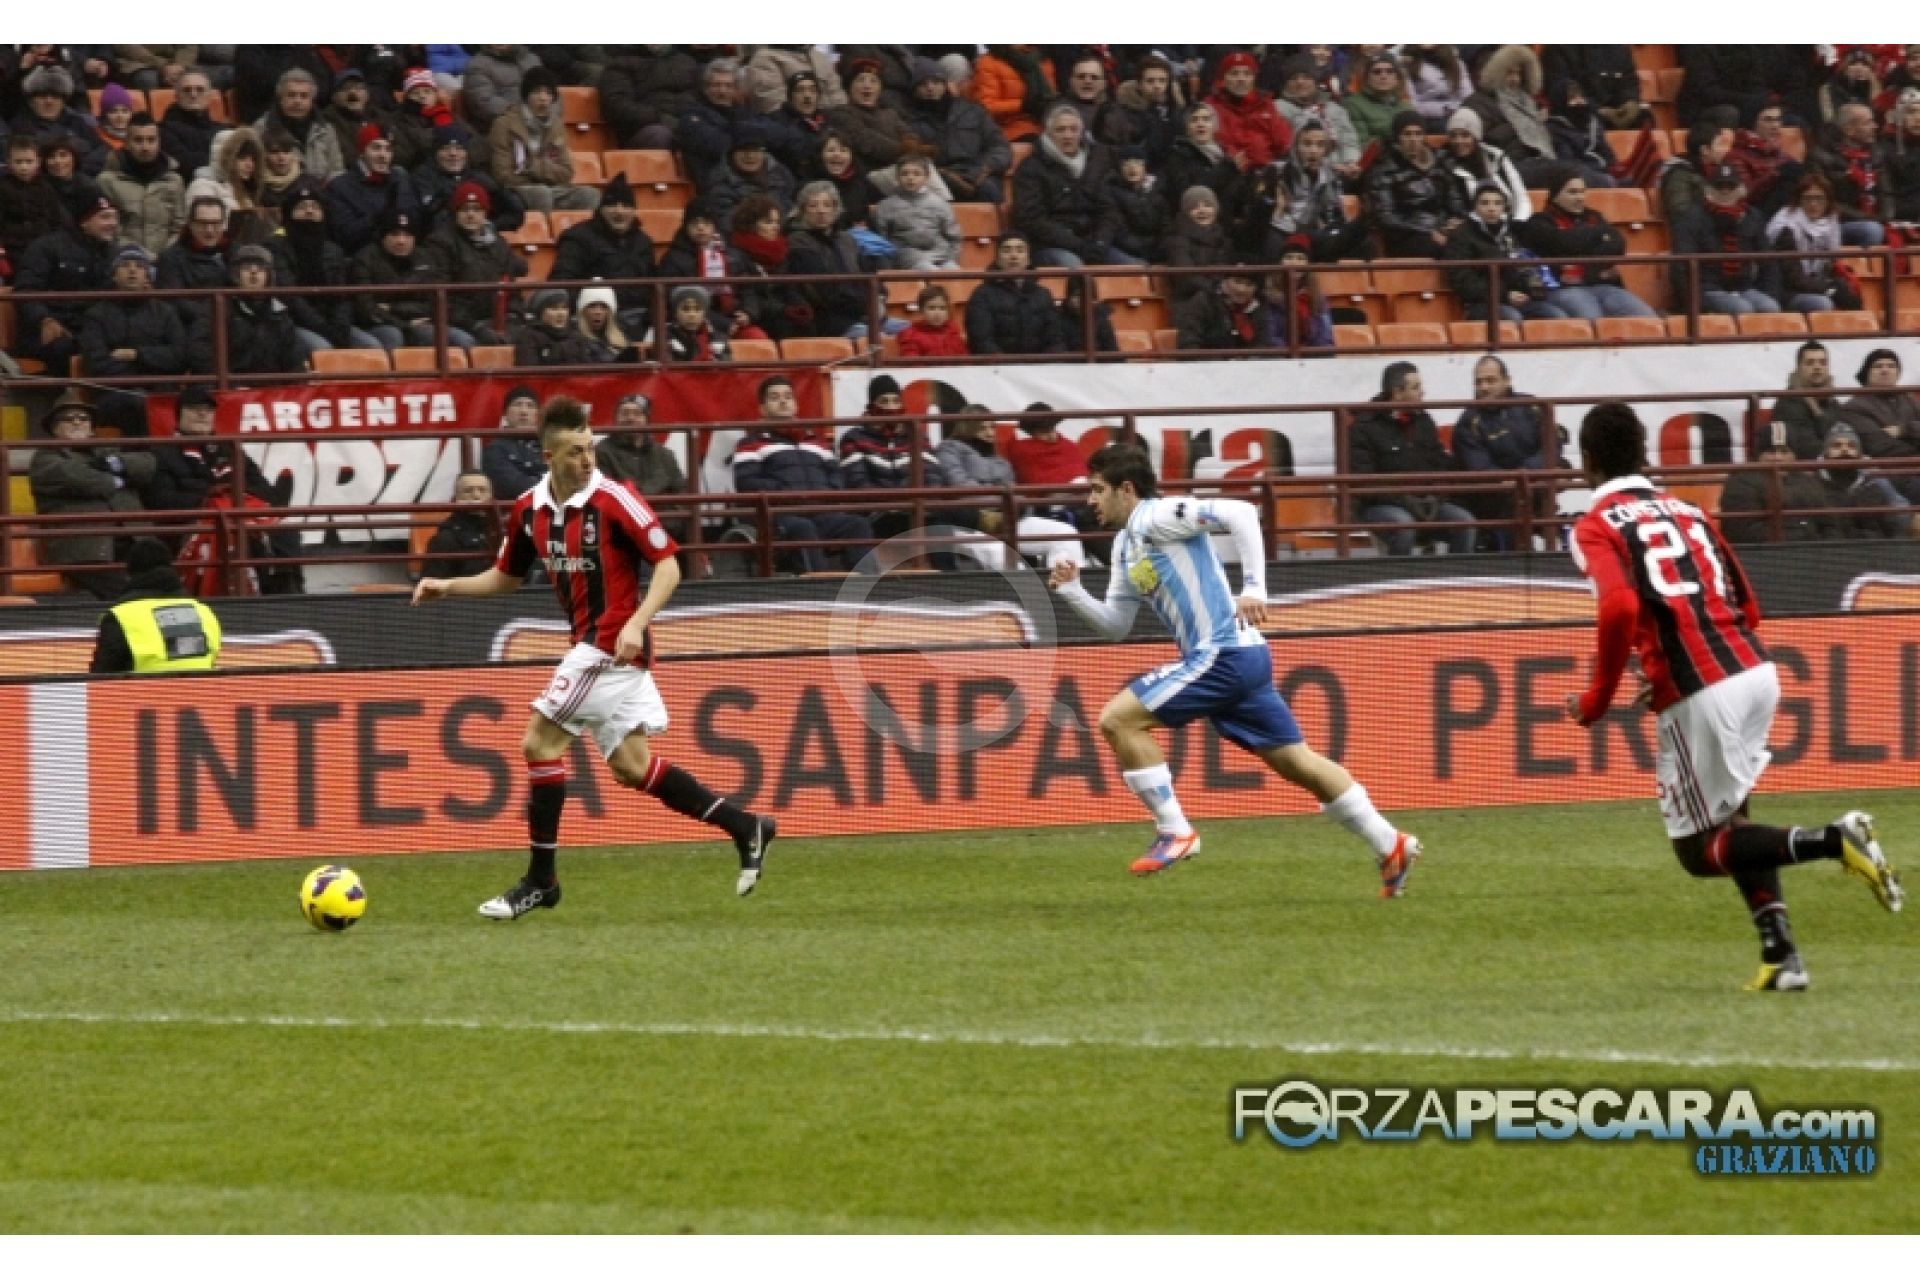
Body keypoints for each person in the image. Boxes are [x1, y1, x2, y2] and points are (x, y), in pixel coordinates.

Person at [1564, 401, 1901, 992]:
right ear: (1643, 452)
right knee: (1734, 822)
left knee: (1699, 851)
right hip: (1753, 670)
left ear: (1587, 460)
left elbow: (1618, 607)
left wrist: (1598, 698)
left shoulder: (1595, 526)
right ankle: (1782, 956)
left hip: (1702, 691)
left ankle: (1835, 839)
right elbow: (1747, 600)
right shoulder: (1688, 511)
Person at [413, 395, 777, 917]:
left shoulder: (616, 499)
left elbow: (670, 565)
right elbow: (506, 578)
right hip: (595, 647)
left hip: (609, 646)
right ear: (549, 457)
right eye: (576, 452)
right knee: (632, 767)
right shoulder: (528, 509)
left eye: (590, 448)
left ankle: (541, 881)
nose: (587, 460)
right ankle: (746, 826)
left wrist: (636, 622)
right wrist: (448, 586)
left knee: (539, 743)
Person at [1047, 444, 1423, 889]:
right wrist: (1072, 592)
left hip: (1222, 654)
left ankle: (1175, 831)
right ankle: (1389, 842)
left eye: (1097, 489)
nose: (1090, 500)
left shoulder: (1158, 515)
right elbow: (1116, 625)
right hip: (1243, 657)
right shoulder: (1126, 545)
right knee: (1298, 763)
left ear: (1126, 489)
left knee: (1118, 720)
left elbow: (1242, 512)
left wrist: (1255, 588)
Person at [730, 375, 875, 573]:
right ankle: (819, 584)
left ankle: (867, 584)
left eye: (788, 396)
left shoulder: (815, 442)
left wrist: (826, 493)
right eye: (774, 397)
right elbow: (746, 482)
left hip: (821, 511)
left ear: (796, 405)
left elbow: (836, 475)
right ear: (762, 409)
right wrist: (786, 493)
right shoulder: (750, 444)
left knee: (857, 525)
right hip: (780, 515)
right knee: (803, 528)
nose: (783, 401)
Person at [29, 391, 157, 599]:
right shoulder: (45, 458)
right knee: (131, 594)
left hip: (136, 540)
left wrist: (113, 463)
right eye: (68, 419)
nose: (77, 422)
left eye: (83, 418)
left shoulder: (107, 450)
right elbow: (76, 477)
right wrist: (118, 479)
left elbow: (147, 464)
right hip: (84, 549)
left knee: (166, 583)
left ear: (91, 427)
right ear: (54, 428)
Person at [1349, 361, 1477, 556]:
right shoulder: (1363, 427)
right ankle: (1399, 575)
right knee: (1404, 526)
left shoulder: (1424, 421)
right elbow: (1365, 481)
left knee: (1465, 523)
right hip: (1380, 506)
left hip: (1426, 503)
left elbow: (1441, 463)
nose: (1422, 393)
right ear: (1397, 393)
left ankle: (1456, 574)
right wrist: (1405, 500)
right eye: (1416, 387)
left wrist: (1436, 496)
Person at [1520, 167, 1658, 320]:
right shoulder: (1539, 222)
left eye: (1582, 192)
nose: (1580, 197)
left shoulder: (1594, 216)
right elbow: (1564, 244)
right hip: (1563, 289)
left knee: (1646, 317)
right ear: (1555, 195)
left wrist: (1580, 246)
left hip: (1602, 285)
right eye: (1572, 192)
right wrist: (1597, 235)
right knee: (1592, 319)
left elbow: (1617, 245)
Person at [79, 244, 187, 435]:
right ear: (114, 275)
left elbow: (179, 357)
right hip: (114, 394)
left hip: (161, 391)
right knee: (137, 401)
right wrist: (152, 367)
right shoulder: (96, 315)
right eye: (125, 265)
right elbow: (97, 364)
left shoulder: (165, 312)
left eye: (139, 266)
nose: (132, 270)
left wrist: (137, 355)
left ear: (148, 275)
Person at [1011, 104, 1135, 269]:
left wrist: (1100, 242)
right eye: (1060, 130)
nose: (1068, 135)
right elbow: (1031, 219)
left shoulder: (1096, 163)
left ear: (1081, 133)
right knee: (1075, 269)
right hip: (1050, 246)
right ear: (1048, 134)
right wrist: (1077, 245)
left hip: (1092, 243)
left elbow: (1109, 210)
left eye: (1073, 129)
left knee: (1134, 267)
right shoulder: (1031, 168)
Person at [1451, 354, 1555, 536]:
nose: (1484, 387)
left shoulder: (1532, 406)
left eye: (1490, 381)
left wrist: (1526, 473)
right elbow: (1480, 469)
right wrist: (1518, 480)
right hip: (1496, 498)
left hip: (1532, 481)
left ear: (1507, 381)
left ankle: (1553, 539)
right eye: (1478, 382)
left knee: (1556, 475)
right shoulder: (1468, 422)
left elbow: (1552, 444)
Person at [13, 192, 120, 369]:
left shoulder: (115, 254)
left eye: (115, 217)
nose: (112, 223)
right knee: (63, 346)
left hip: (93, 328)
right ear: (84, 221)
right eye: (105, 217)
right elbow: (26, 290)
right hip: (51, 327)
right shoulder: (46, 247)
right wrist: (44, 319)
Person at [89, 539, 221, 674]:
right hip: (200, 687)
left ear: (130, 572)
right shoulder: (203, 612)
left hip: (144, 687)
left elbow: (101, 674)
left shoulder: (121, 617)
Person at [419, 180, 522, 346]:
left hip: (496, 319)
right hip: (459, 323)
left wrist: (514, 315)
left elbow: (511, 287)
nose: (471, 215)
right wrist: (474, 326)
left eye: (477, 209)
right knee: (467, 342)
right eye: (465, 209)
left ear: (485, 213)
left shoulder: (499, 244)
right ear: (455, 212)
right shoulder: (440, 243)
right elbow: (440, 298)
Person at [1668, 164, 1780, 317]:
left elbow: (1768, 261)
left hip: (1743, 287)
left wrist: (1769, 293)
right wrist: (1693, 303)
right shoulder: (1692, 217)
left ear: (1740, 189)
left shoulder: (1751, 216)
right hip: (1707, 288)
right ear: (1709, 189)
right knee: (1742, 309)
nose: (1725, 191)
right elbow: (1680, 265)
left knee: (1770, 307)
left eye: (1731, 186)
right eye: (1719, 186)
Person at [1444, 184, 1565, 322]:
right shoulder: (1461, 236)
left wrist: (1529, 289)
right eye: (1485, 203)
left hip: (1516, 298)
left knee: (1556, 315)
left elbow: (1522, 265)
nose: (1491, 208)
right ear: (1475, 207)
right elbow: (1464, 281)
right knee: (1513, 317)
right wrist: (1505, 295)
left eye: (1497, 203)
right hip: (1479, 303)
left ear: (1504, 207)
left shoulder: (1512, 231)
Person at [490, 66, 597, 214]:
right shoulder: (504, 124)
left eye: (548, 93)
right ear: (526, 96)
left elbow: (566, 172)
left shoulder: (557, 126)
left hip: (551, 188)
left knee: (589, 194)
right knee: (541, 193)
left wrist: (534, 167)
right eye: (537, 92)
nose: (543, 97)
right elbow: (503, 175)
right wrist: (540, 177)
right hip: (517, 190)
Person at [1365, 110, 1467, 259]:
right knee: (1449, 250)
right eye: (1407, 134)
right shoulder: (1384, 169)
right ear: (1397, 137)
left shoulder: (1441, 163)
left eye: (1418, 134)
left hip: (1442, 229)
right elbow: (1385, 218)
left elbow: (1456, 203)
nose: (1413, 139)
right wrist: (1428, 232)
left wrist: (1455, 222)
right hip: (1406, 236)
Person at [1458, 45, 1559, 187]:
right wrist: (1515, 126)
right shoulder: (1478, 102)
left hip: (1536, 161)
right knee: (1566, 173)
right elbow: (1481, 142)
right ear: (1497, 72)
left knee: (1575, 170)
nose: (1515, 79)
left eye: (1519, 74)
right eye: (1509, 73)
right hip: (1505, 166)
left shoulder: (1528, 103)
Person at [1719, 425, 1835, 543]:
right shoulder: (1740, 482)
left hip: (1812, 550)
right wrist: (1804, 534)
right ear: (1759, 455)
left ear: (1794, 456)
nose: (1778, 457)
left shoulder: (1808, 482)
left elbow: (1829, 524)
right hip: (1762, 551)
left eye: (1784, 451)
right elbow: (1741, 531)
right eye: (1771, 451)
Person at [1766, 173, 1861, 315]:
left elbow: (1830, 265)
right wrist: (1829, 288)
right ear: (1799, 201)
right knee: (1823, 303)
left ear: (1828, 201)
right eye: (1808, 198)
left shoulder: (1830, 222)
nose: (1813, 204)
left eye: (1819, 198)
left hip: (1814, 284)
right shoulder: (1787, 228)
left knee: (1851, 294)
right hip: (1788, 291)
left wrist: (1835, 284)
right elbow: (1793, 278)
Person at [594, 394, 687, 538]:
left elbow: (682, 494)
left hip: (664, 529)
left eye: (637, 414)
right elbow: (607, 497)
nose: (630, 418)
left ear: (646, 420)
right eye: (624, 413)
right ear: (616, 419)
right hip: (621, 531)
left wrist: (668, 521)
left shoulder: (665, 455)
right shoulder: (601, 452)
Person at [323, 122, 421, 255]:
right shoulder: (339, 187)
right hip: (364, 259)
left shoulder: (402, 180)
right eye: (376, 148)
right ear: (362, 152)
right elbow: (346, 236)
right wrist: (380, 217)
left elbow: (416, 223)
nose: (383, 155)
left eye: (388, 149)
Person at [966, 231, 1067, 355]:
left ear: (1028, 259)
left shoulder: (1043, 295)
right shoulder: (982, 295)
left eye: (1020, 250)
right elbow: (981, 341)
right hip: (998, 365)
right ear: (997, 259)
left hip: (1040, 365)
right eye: (1006, 250)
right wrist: (1006, 363)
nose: (1013, 256)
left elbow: (1055, 339)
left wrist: (1045, 362)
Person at [98, 113, 185, 256]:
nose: (145, 147)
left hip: (166, 259)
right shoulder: (107, 181)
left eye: (151, 140)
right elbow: (109, 228)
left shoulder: (174, 181)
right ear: (127, 143)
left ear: (159, 142)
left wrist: (164, 257)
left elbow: (179, 227)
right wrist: (141, 256)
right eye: (138, 140)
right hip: (122, 258)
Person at [1814, 422, 1915, 538]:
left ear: (1860, 454)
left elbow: (1893, 527)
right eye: (1836, 446)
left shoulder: (1872, 485)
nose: (1845, 450)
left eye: (1852, 446)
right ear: (1825, 454)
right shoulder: (1814, 487)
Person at [1810, 103, 1889, 247]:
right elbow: (1825, 201)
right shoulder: (1820, 156)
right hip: (1836, 223)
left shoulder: (1876, 154)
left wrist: (1886, 216)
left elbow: (1886, 193)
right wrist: (1868, 218)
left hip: (1875, 219)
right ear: (1849, 130)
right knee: (1872, 230)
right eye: (1868, 123)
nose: (1875, 126)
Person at [873, 152, 961, 269]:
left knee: (952, 270)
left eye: (917, 174)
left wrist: (952, 259)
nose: (910, 178)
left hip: (941, 253)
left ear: (926, 177)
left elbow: (954, 237)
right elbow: (882, 239)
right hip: (906, 256)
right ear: (897, 177)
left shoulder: (940, 203)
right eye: (904, 174)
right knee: (928, 269)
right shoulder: (886, 206)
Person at [253, 68, 343, 182]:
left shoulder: (325, 129)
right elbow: (257, 171)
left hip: (322, 190)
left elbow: (337, 170)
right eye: (291, 95)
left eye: (304, 96)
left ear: (312, 101)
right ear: (280, 98)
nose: (297, 101)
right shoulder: (261, 129)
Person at [1442, 108, 1530, 220]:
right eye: (1453, 136)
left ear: (1476, 137)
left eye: (1465, 135)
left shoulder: (1497, 156)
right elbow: (1460, 210)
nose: (1458, 141)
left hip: (1512, 221)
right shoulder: (1447, 166)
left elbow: (1521, 198)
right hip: (1476, 225)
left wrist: (1519, 222)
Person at [0, 133, 69, 265]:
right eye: (18, 162)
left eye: (29, 161)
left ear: (38, 162)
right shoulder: (3, 188)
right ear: (9, 162)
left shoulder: (46, 188)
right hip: (12, 249)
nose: (24, 167)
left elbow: (55, 220)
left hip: (44, 247)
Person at [1771, 340, 1846, 460]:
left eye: (1823, 363)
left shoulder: (1832, 401)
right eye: (1810, 363)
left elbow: (1846, 435)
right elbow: (1807, 449)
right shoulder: (1789, 402)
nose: (1817, 367)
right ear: (1798, 368)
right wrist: (1842, 451)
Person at [421, 470, 498, 578]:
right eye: (468, 491)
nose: (476, 495)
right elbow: (432, 582)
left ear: (491, 496)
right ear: (456, 498)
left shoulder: (502, 530)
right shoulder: (445, 539)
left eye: (482, 490)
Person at [484, 386, 547, 500]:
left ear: (537, 414)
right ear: (505, 414)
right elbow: (511, 485)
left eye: (530, 406)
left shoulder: (551, 444)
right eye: (517, 404)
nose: (524, 411)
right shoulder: (495, 448)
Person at [159, 68, 222, 175]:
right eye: (186, 90)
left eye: (200, 90)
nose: (193, 95)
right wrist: (222, 159)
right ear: (176, 96)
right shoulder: (164, 130)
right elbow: (184, 162)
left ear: (210, 95)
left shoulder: (222, 129)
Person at [1343, 52, 1412, 152]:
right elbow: (1361, 144)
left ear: (1397, 78)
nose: (1383, 76)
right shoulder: (1353, 104)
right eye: (1377, 72)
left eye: (1389, 71)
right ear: (1367, 78)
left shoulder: (1407, 107)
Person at [899, 284, 968, 357]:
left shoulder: (953, 331)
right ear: (921, 310)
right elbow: (912, 361)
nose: (937, 313)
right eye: (931, 308)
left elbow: (964, 358)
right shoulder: (911, 335)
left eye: (942, 308)